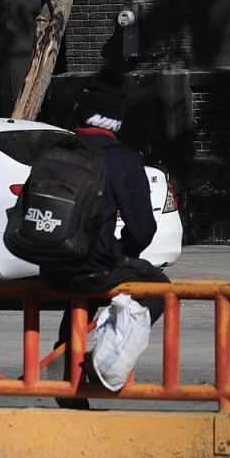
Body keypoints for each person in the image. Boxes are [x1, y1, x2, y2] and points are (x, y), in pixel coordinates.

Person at [42, 73, 170, 409]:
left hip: (49, 266)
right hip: (92, 270)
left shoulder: (55, 150)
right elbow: (143, 229)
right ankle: (103, 360)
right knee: (160, 287)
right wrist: (122, 252)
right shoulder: (121, 159)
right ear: (116, 121)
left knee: (79, 298)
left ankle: (67, 358)